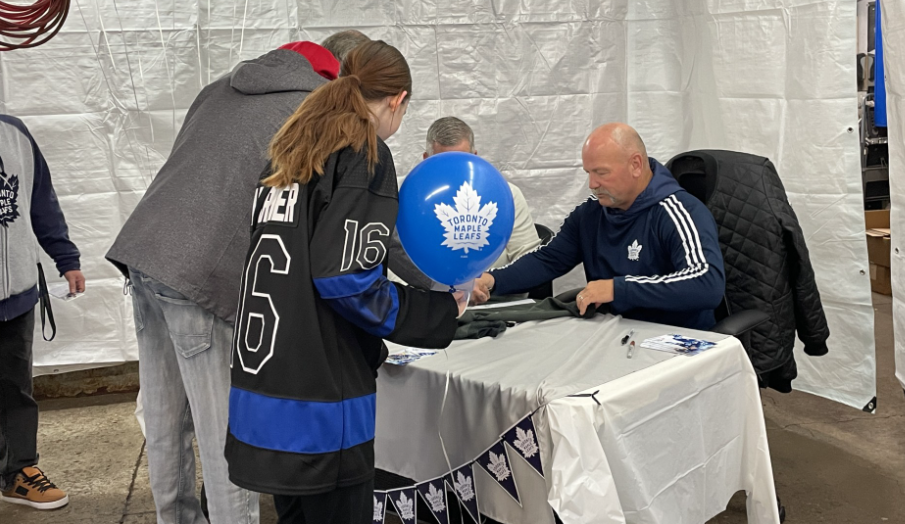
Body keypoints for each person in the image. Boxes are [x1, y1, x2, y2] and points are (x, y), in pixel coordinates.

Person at [106, 32, 369, 524]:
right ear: (343, 76)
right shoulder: (316, 109)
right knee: (227, 438)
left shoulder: (222, 86)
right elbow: (349, 221)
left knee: (165, 424)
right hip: (201, 273)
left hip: (144, 252)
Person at [224, 41, 467, 524]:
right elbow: (346, 278)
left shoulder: (292, 146)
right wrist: (438, 312)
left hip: (264, 388)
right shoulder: (363, 152)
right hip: (319, 404)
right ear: (397, 100)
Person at [473, 123, 725, 330]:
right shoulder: (591, 212)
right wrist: (493, 280)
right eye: (588, 173)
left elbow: (707, 284)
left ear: (636, 165)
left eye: (601, 173)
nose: (592, 183)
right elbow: (548, 259)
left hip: (676, 341)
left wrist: (618, 288)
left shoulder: (680, 211)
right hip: (613, 333)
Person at [0, 115, 85, 510]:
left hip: (15, 294)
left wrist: (66, 258)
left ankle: (19, 472)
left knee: (16, 389)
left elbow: (40, 201)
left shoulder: (14, 133)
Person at [387, 117, 542, 295]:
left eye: (462, 160)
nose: (455, 170)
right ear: (426, 160)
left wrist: (487, 283)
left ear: (475, 157)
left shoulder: (507, 194)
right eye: (445, 162)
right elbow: (394, 264)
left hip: (496, 301)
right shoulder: (406, 200)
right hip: (430, 302)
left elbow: (529, 259)